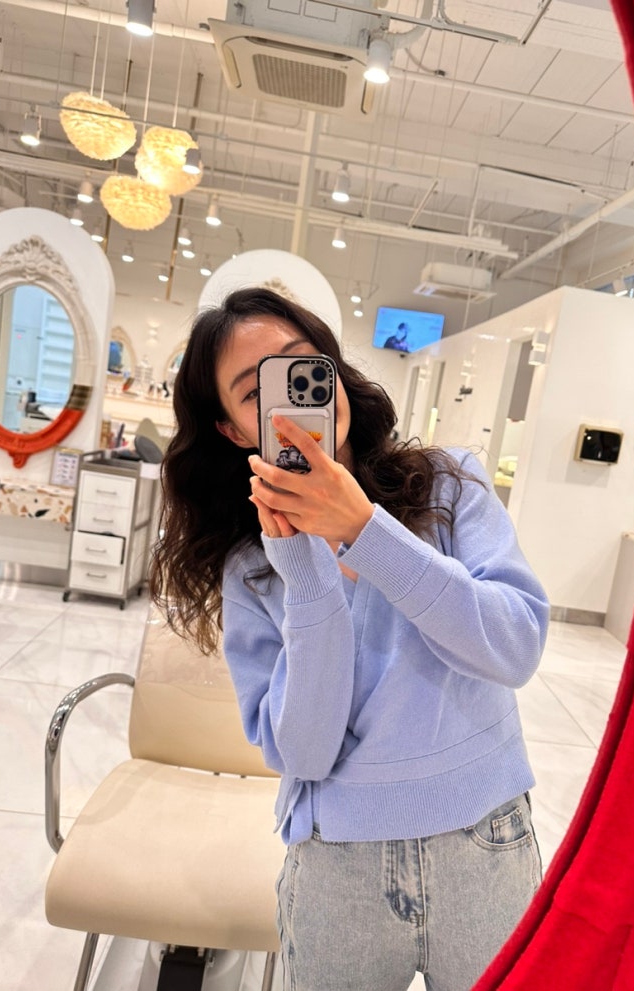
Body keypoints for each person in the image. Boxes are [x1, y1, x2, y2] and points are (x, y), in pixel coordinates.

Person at [150, 287, 549, 991]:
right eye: (257, 392)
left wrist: (366, 531)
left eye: (304, 367)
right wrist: (307, 579)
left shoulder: (448, 487)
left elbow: (515, 648)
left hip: (485, 842)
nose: (296, 398)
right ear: (233, 430)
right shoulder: (255, 567)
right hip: (339, 865)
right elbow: (304, 752)